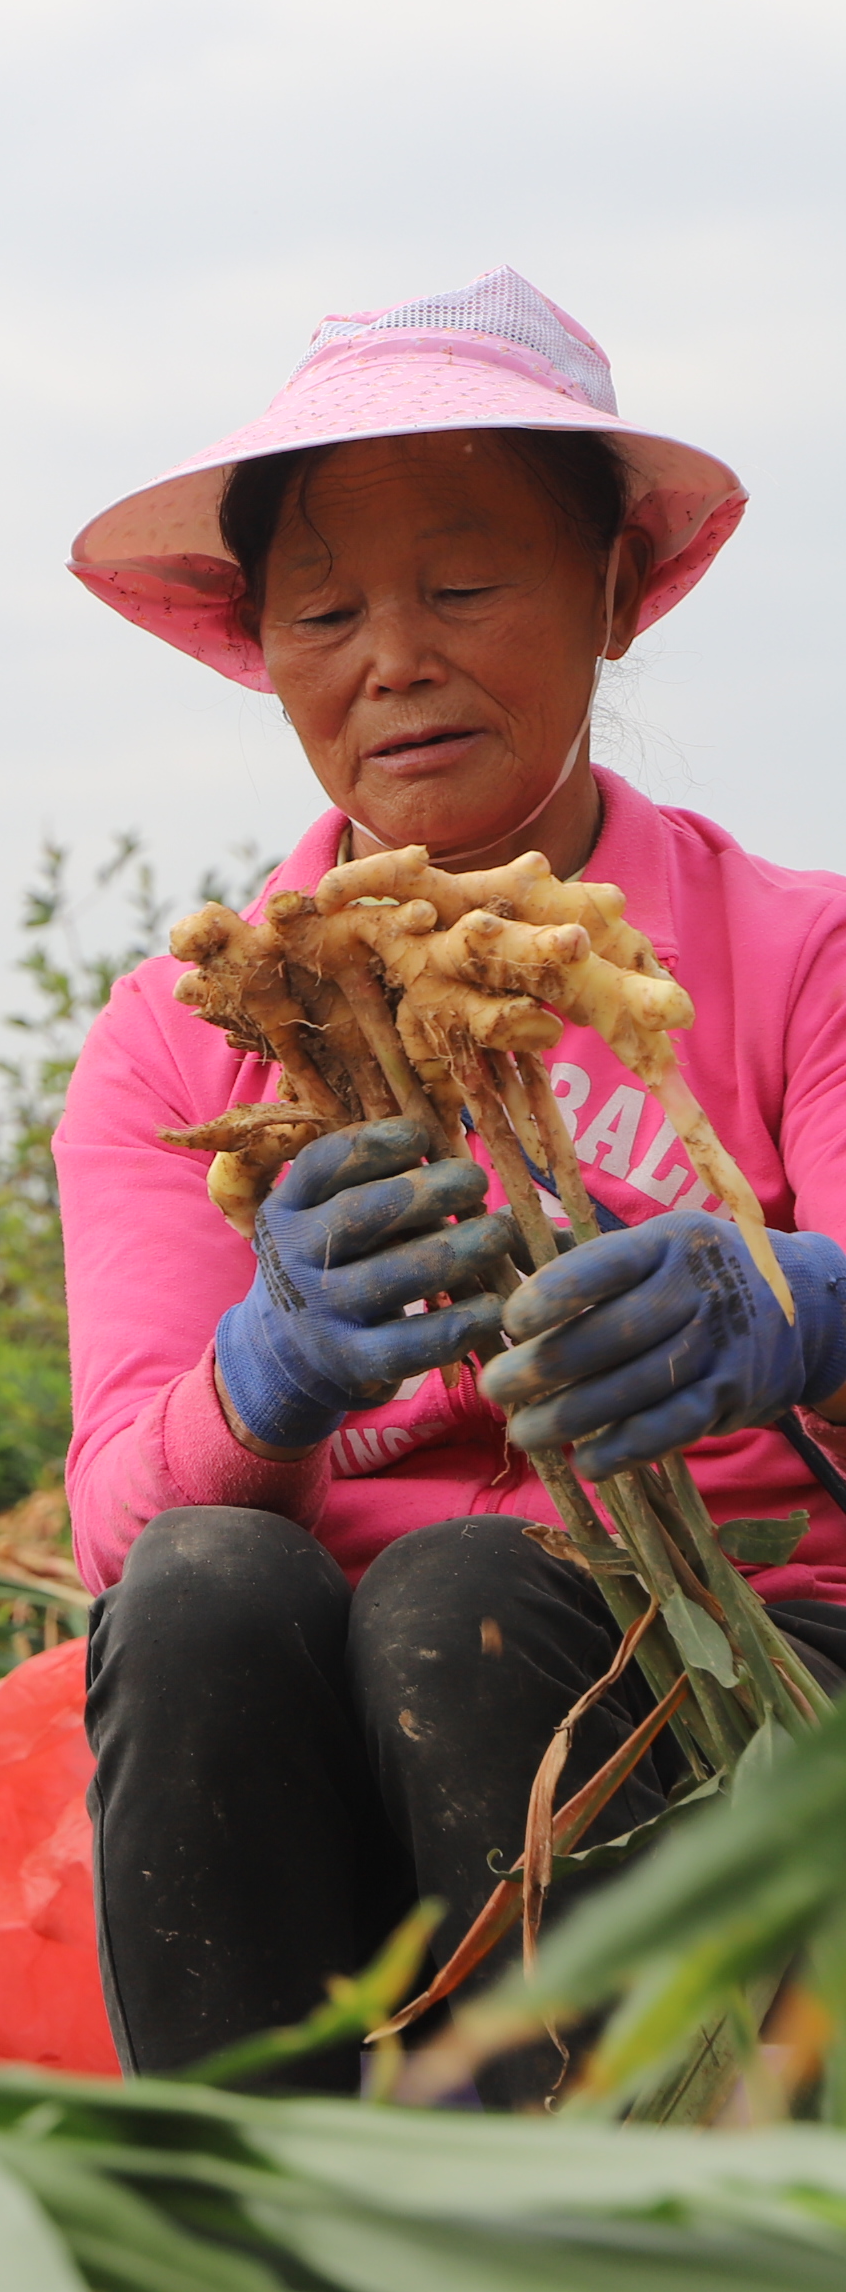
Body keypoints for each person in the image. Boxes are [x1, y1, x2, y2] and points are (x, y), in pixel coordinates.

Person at [59, 268, 846, 2096]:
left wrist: (804, 1308)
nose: (392, 657)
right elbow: (114, 1506)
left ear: (618, 595)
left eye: (466, 585)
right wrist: (263, 1382)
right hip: (313, 1709)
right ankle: (243, 2210)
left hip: (748, 1673)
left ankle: (573, 2212)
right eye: (321, 609)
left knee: (465, 1598)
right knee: (191, 1588)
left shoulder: (798, 953)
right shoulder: (188, 1035)